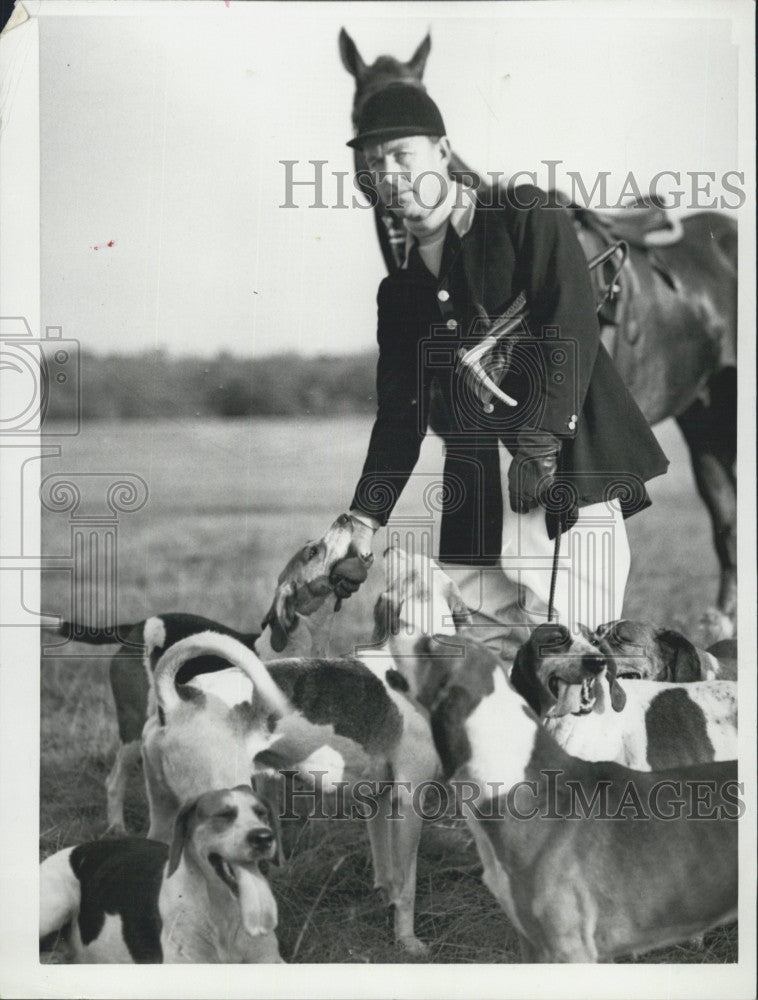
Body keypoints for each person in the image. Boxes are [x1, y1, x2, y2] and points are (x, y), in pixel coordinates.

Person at [329, 82, 669, 649]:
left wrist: (539, 444)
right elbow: (400, 417)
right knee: (470, 688)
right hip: (474, 507)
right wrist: (364, 518)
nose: (388, 173)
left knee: (564, 677)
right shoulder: (401, 292)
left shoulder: (522, 213)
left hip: (563, 482)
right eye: (374, 162)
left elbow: (570, 319)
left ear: (442, 152)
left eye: (402, 155)